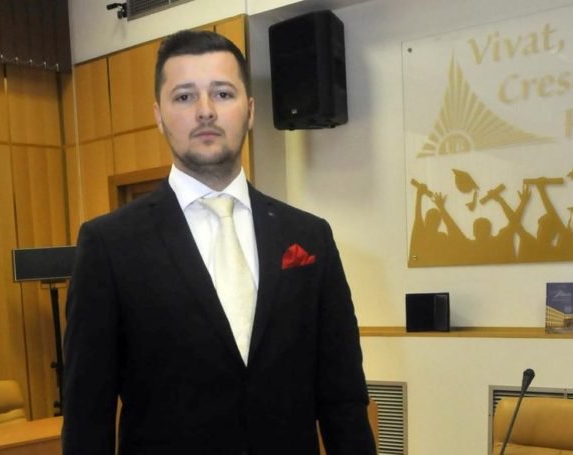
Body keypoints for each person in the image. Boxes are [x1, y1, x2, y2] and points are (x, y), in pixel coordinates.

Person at [61, 30, 375, 455]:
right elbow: (87, 416)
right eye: (185, 97)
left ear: (250, 111)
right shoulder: (109, 245)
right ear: (158, 115)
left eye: (223, 94)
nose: (205, 111)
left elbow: (343, 399)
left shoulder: (308, 236)